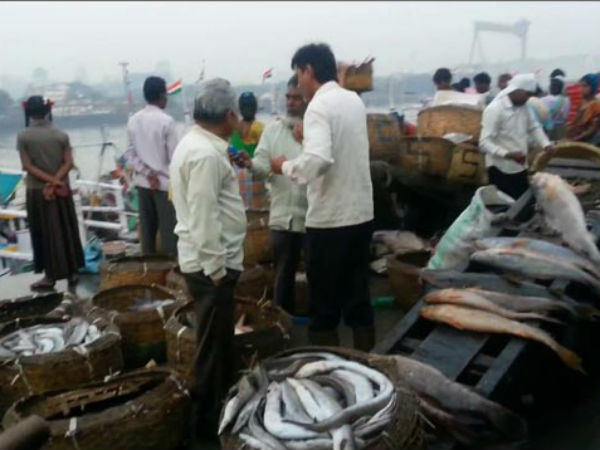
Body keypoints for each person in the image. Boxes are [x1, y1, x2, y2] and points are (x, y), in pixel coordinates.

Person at [271, 43, 375, 350]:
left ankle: (327, 372)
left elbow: (319, 161)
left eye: (298, 75)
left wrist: (284, 165)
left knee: (324, 306)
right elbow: (340, 148)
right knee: (358, 297)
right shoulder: (352, 101)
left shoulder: (318, 105)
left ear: (308, 70)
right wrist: (308, 140)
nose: (298, 83)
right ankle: (368, 363)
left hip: (330, 221)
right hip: (360, 215)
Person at [169, 78, 246, 438]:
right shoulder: (203, 154)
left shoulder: (199, 145)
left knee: (217, 342)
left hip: (208, 263)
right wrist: (217, 270)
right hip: (210, 267)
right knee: (211, 349)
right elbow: (203, 218)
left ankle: (223, 408)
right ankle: (202, 425)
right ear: (229, 115)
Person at [236, 75, 308, 315]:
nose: (291, 103)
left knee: (320, 276)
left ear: (309, 99)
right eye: (289, 97)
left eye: (297, 98)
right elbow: (262, 168)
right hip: (282, 218)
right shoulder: (272, 131)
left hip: (314, 219)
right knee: (282, 278)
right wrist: (249, 163)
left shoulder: (318, 132)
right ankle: (283, 327)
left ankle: (321, 328)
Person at [17, 96, 84, 291]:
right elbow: (68, 162)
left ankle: (49, 277)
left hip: (38, 192)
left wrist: (48, 183)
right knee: (66, 229)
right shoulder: (60, 134)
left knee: (43, 233)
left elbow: (27, 165)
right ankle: (72, 273)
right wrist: (56, 181)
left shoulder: (23, 136)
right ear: (47, 111)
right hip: (62, 190)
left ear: (29, 112)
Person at [479, 74, 556, 204]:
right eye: (526, 94)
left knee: (522, 205)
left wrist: (546, 144)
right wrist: (507, 154)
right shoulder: (495, 109)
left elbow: (534, 127)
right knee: (503, 206)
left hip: (520, 165)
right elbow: (484, 143)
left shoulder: (524, 107)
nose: (528, 98)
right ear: (515, 90)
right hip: (500, 168)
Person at [126, 76, 179, 256]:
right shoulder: (167, 121)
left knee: (147, 234)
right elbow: (174, 157)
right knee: (169, 233)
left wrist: (148, 173)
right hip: (164, 185)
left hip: (143, 183)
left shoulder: (133, 120)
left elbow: (130, 154)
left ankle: (148, 270)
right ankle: (170, 271)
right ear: (162, 95)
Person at [567, 74, 600, 145]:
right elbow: (576, 121)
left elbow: (593, 129)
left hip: (591, 141)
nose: (581, 88)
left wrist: (578, 138)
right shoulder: (582, 102)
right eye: (581, 86)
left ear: (593, 87)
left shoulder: (596, 105)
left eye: (585, 86)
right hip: (578, 137)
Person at [229, 92, 264, 157]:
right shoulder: (261, 128)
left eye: (250, 106)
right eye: (245, 106)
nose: (248, 109)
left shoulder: (232, 127)